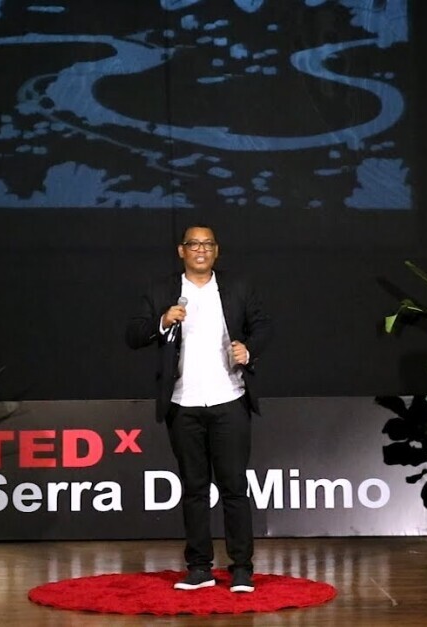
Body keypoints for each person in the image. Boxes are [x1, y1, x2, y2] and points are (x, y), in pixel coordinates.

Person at [125, 224, 273, 593]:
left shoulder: (237, 287)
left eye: (208, 244)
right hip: (183, 403)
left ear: (216, 250)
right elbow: (133, 334)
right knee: (194, 489)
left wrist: (249, 349)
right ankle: (199, 568)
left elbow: (263, 326)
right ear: (182, 251)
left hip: (229, 399)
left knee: (234, 488)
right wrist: (162, 321)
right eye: (194, 244)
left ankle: (242, 569)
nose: (201, 250)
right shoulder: (162, 290)